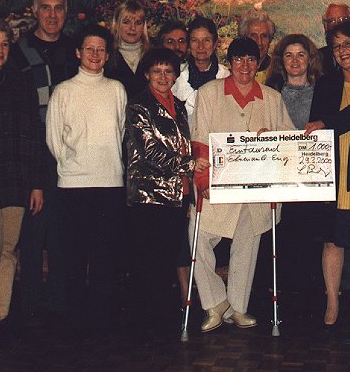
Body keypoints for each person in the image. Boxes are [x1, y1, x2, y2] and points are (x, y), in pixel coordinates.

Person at [189, 37, 294, 332]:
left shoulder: (272, 97)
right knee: (198, 239)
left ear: (259, 63)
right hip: (218, 183)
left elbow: (286, 140)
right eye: (238, 59)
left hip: (256, 188)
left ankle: (238, 307)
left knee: (247, 246)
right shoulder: (209, 93)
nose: (245, 66)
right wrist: (202, 180)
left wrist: (270, 138)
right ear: (229, 62)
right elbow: (199, 139)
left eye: (251, 59)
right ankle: (214, 303)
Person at [123, 47, 210, 340]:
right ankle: (146, 326)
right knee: (149, 264)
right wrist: (188, 164)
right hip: (150, 196)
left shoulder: (180, 105)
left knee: (167, 261)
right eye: (157, 71)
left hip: (176, 195)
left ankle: (161, 322)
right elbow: (149, 150)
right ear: (147, 73)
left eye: (168, 71)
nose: (163, 77)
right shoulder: (139, 105)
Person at [46, 24, 127, 334]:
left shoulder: (116, 89)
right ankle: (76, 322)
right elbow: (54, 139)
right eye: (89, 49)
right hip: (74, 186)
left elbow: (119, 133)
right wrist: (73, 165)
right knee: (75, 258)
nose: (95, 54)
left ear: (107, 55)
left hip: (110, 184)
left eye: (101, 49)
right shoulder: (64, 91)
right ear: (78, 52)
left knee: (105, 258)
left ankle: (102, 321)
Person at [0, 17, 45, 335]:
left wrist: (37, 183)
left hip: (16, 178)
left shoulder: (20, 82)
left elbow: (33, 133)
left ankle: (0, 317)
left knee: (8, 250)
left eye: (5, 44)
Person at [13, 0, 78, 325]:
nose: (52, 15)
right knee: (32, 238)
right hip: (33, 157)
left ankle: (60, 307)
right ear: (34, 11)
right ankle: (30, 310)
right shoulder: (18, 54)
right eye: (45, 8)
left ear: (66, 12)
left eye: (59, 8)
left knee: (62, 236)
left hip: (70, 159)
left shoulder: (74, 51)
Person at [305, 20, 350, 328]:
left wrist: (328, 123)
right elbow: (316, 124)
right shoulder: (327, 83)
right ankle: (332, 300)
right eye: (336, 46)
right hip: (333, 171)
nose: (343, 51)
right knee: (333, 240)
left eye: (348, 44)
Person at [264, 33, 323, 315]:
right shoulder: (271, 94)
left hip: (313, 182)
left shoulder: (323, 92)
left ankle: (310, 305)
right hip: (281, 180)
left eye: (301, 55)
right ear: (281, 61)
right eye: (289, 55)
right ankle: (285, 303)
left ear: (310, 59)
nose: (295, 61)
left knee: (311, 241)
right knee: (284, 242)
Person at [171, 16, 230, 120]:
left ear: (215, 43)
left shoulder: (225, 76)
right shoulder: (177, 75)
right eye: (195, 40)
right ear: (189, 43)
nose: (200, 46)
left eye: (206, 40)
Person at [105, 0, 150, 99]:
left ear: (143, 26)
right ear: (116, 25)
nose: (132, 28)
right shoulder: (106, 56)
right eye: (126, 22)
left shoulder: (153, 56)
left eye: (138, 23)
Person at [238, 9, 276, 83]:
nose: (259, 42)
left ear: (270, 39)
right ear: (243, 38)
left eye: (264, 36)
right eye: (253, 36)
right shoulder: (234, 69)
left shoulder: (276, 71)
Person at [318, 3, 350, 72]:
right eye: (331, 21)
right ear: (325, 26)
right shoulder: (317, 58)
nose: (336, 24)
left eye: (342, 20)